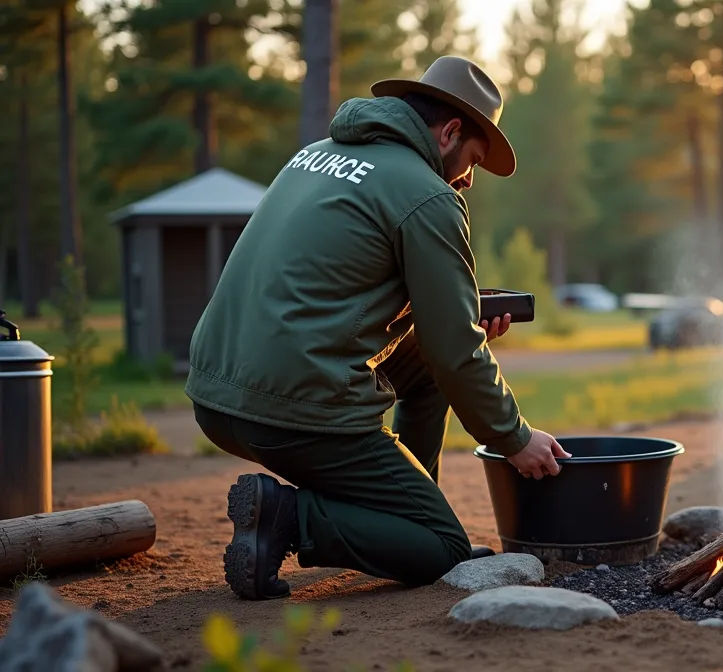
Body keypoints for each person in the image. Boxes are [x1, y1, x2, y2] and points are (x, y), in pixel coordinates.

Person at [185, 56, 569, 601]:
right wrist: (515, 437)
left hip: (217, 395)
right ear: (450, 132)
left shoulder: (313, 156)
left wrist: (453, 312)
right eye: (473, 160)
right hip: (291, 409)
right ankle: (288, 517)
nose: (468, 178)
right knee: (442, 547)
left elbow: (338, 286)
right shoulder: (430, 195)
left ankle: (405, 507)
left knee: (429, 369)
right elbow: (455, 349)